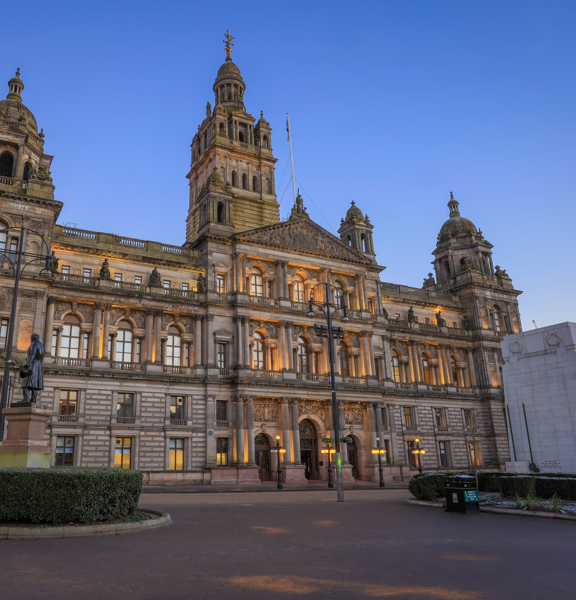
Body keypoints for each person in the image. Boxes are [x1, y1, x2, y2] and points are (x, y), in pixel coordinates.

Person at [20, 333, 44, 403]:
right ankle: (33, 399)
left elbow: (32, 354)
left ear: (32, 338)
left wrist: (27, 364)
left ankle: (26, 399)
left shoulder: (34, 344)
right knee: (35, 384)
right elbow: (42, 357)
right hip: (39, 365)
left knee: (25, 383)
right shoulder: (41, 346)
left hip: (32, 364)